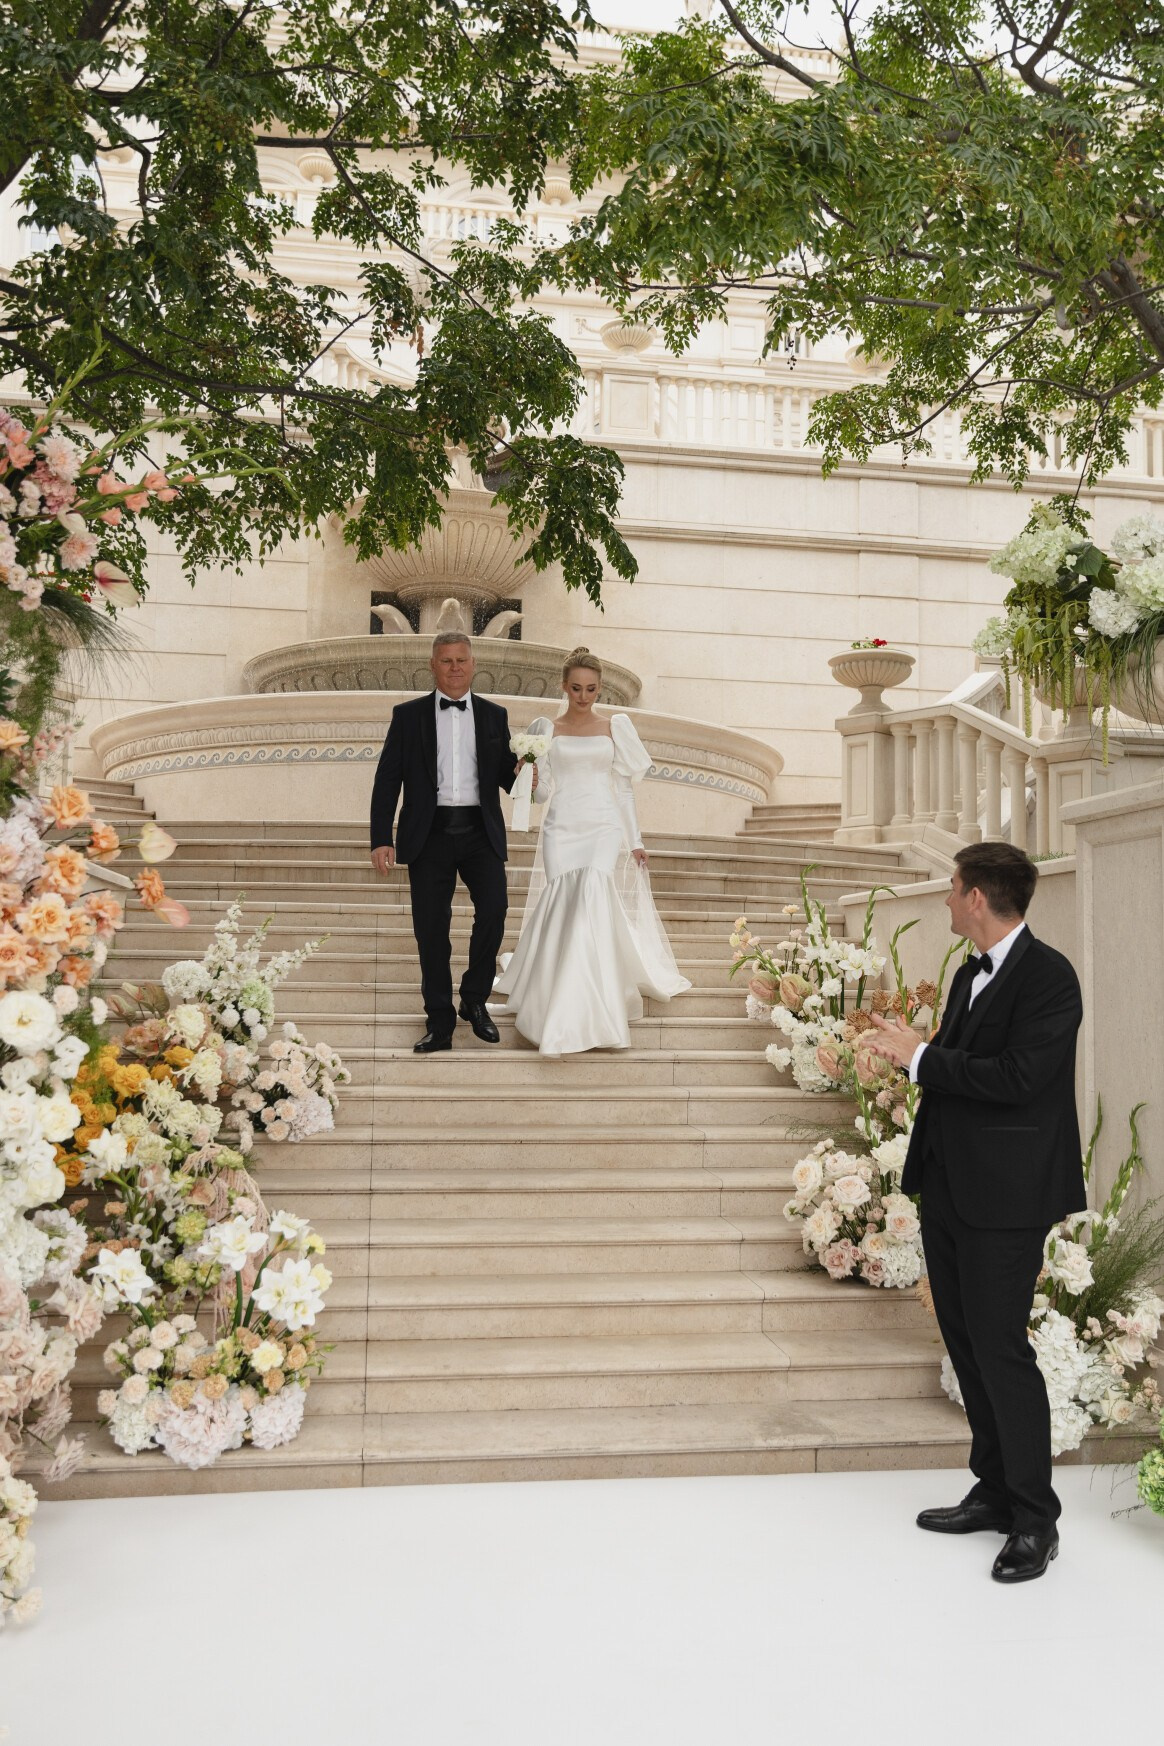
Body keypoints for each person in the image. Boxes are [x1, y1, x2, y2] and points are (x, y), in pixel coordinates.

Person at [870, 840, 1084, 1585]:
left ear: (977, 899)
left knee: (1000, 1349)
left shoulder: (1051, 978)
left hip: (1010, 1197)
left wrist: (920, 1057)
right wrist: (911, 1057)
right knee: (966, 1344)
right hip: (953, 1188)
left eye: (952, 888)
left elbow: (1021, 1077)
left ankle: (1035, 1520)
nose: (947, 898)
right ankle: (993, 1490)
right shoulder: (969, 972)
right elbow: (956, 1077)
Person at [495, 647, 691, 1056]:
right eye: (577, 688)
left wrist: (634, 840)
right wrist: (527, 778)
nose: (584, 696)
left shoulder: (615, 726)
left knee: (591, 902)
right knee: (566, 903)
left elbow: (622, 788)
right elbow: (545, 791)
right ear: (564, 686)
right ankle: (560, 998)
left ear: (599, 688)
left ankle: (583, 1009)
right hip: (561, 828)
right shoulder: (545, 728)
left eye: (592, 689)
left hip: (602, 828)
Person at [369, 631, 522, 1054]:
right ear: (433, 666)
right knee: (431, 931)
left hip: (480, 830)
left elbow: (507, 779)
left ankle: (473, 1000)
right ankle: (439, 1022)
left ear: (474, 664)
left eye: (461, 660)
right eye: (446, 661)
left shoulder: (495, 716)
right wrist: (381, 837)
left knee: (494, 910)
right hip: (429, 833)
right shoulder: (408, 715)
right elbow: (388, 779)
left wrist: (529, 769)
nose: (455, 668)